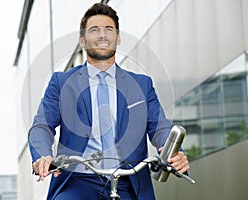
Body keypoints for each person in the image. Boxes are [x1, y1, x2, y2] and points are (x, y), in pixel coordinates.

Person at [28, 3, 189, 200]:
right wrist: (43, 155)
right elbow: (42, 126)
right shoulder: (62, 83)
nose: (102, 35)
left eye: (109, 29)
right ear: (82, 40)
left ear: (118, 38)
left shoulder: (141, 85)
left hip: (129, 181)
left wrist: (172, 152)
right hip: (78, 180)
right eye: (94, 30)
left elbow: (160, 128)